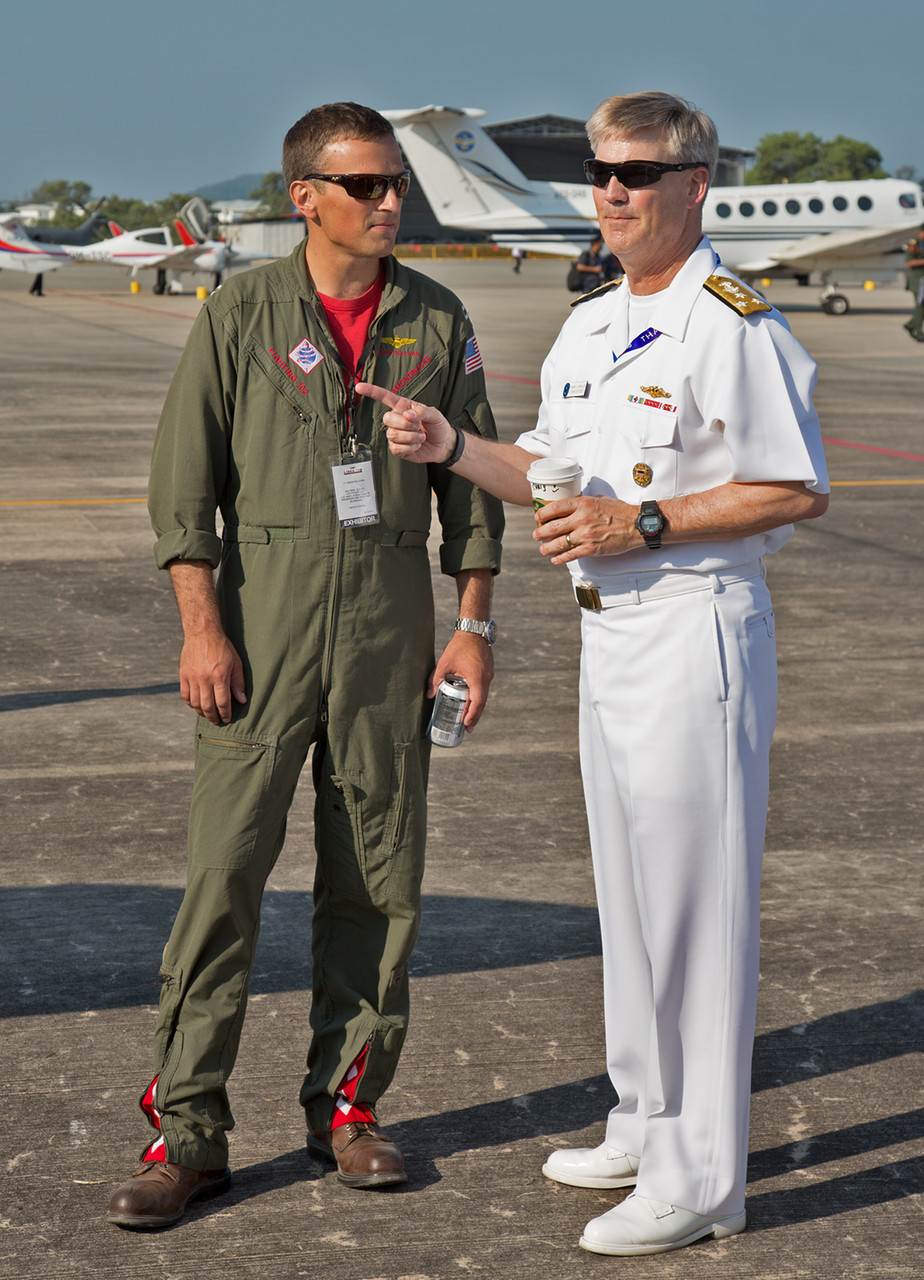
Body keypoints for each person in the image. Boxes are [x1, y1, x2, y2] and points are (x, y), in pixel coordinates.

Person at [358, 90, 828, 1257]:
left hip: (694, 627)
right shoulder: (595, 322)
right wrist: (452, 445)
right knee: (628, 899)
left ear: (694, 185)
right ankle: (644, 1116)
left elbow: (793, 484)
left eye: (638, 173)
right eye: (601, 171)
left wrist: (646, 525)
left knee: (693, 911)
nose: (612, 191)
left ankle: (703, 1176)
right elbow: (555, 475)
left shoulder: (734, 321)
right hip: (608, 635)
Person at [107, 101, 504, 1230]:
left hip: (389, 623)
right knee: (223, 876)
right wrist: (202, 627)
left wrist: (472, 621)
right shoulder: (240, 309)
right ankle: (185, 1129)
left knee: (379, 874)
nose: (392, 203)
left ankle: (349, 1107)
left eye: (395, 186)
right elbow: (183, 488)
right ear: (305, 196)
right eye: (368, 185)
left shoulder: (437, 317)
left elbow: (472, 487)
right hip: (262, 615)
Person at [903, 228, 924, 341]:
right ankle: (918, 330)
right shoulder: (914, 244)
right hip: (918, 281)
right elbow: (909, 262)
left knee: (921, 306)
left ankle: (911, 325)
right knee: (921, 306)